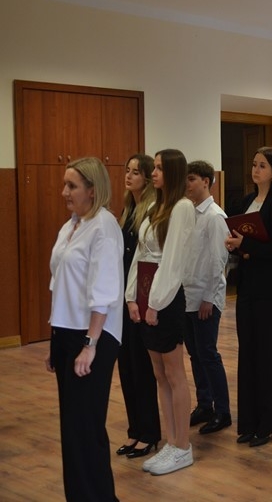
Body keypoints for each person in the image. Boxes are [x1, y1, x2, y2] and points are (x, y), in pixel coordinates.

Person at [47, 157, 124, 501]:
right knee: (72, 429)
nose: (64, 192)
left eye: (72, 186)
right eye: (65, 185)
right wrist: (55, 339)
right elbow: (59, 283)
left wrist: (89, 344)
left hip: (93, 337)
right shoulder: (72, 225)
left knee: (85, 428)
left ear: (92, 190)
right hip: (67, 333)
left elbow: (103, 291)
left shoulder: (103, 227)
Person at [126, 149, 196, 475]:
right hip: (147, 296)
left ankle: (183, 446)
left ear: (173, 172)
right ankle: (171, 441)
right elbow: (141, 255)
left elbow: (173, 261)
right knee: (159, 374)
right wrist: (132, 298)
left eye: (158, 168)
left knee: (174, 373)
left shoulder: (182, 207)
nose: (153, 173)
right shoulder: (156, 206)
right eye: (153, 168)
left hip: (165, 300)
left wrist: (156, 303)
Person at [225, 146, 272, 447]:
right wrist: (236, 245)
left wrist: (246, 245)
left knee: (267, 355)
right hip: (249, 286)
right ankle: (248, 421)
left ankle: (267, 422)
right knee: (248, 353)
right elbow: (245, 241)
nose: (256, 169)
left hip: (271, 289)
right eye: (254, 164)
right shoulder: (247, 201)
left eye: (262, 165)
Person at [116, 154, 161, 460]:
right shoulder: (127, 209)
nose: (129, 176)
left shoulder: (153, 210)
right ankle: (134, 430)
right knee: (126, 366)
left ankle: (150, 433)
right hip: (123, 296)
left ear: (146, 178)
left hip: (141, 297)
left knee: (142, 367)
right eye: (127, 171)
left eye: (135, 172)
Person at [183, 161, 231, 434]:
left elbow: (217, 261)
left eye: (191, 179)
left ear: (206, 181)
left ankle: (223, 411)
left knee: (208, 354)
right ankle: (205, 404)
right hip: (188, 295)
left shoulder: (214, 216)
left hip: (205, 297)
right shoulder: (189, 212)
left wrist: (209, 298)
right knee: (195, 354)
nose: (187, 184)